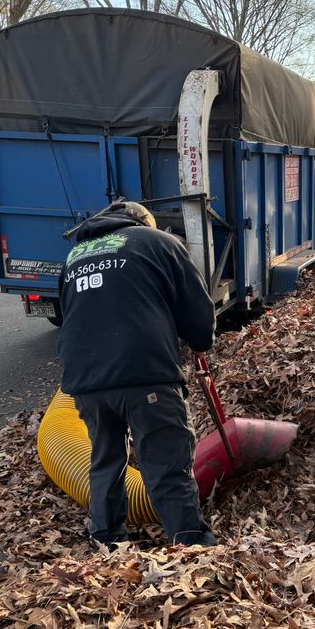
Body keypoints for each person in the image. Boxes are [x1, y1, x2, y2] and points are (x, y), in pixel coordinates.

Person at [57, 200, 217, 548]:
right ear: (144, 222)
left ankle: (106, 541)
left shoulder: (74, 257)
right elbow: (197, 310)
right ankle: (190, 545)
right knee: (166, 460)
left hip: (85, 381)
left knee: (105, 459)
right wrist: (200, 340)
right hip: (144, 372)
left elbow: (68, 311)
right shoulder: (159, 242)